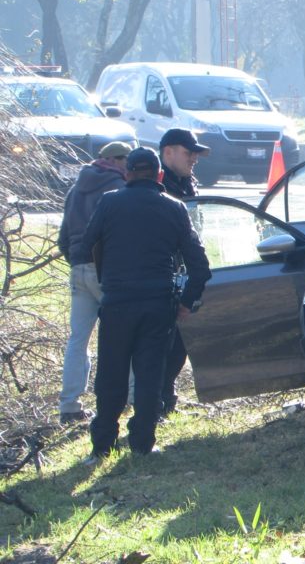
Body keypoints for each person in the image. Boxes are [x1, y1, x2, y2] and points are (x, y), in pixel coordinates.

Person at [80, 147, 210, 460]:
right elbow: (200, 266)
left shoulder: (109, 203)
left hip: (118, 302)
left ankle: (102, 445)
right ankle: (142, 444)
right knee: (150, 374)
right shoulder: (175, 208)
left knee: (111, 373)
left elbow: (86, 246)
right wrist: (186, 301)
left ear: (128, 174)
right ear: (158, 174)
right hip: (157, 303)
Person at [56, 141, 131, 425]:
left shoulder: (75, 190)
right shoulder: (118, 187)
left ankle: (70, 406)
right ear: (117, 160)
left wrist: (77, 261)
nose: (130, 165)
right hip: (107, 269)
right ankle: (132, 399)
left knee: (78, 340)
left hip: (78, 267)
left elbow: (64, 238)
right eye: (128, 159)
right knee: (125, 334)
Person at [157, 128, 210, 415]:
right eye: (189, 153)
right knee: (164, 342)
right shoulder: (157, 183)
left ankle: (166, 395)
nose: (194, 159)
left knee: (180, 342)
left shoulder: (188, 184)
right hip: (163, 274)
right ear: (168, 152)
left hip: (186, 271)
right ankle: (158, 398)